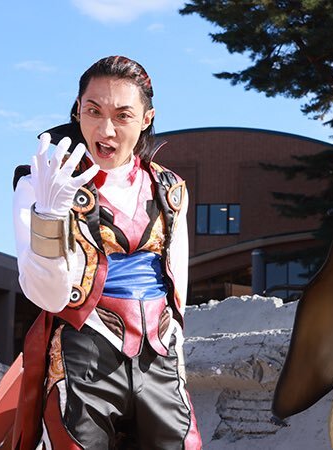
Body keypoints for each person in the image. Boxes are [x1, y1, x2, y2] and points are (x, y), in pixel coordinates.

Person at [12, 55, 201, 449]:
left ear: (146, 118)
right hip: (85, 354)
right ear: (77, 111)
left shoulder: (170, 189)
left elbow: (177, 289)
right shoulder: (42, 183)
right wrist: (49, 217)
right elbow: (47, 296)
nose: (106, 129)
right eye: (93, 111)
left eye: (122, 115)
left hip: (159, 352)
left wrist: (175, 350)